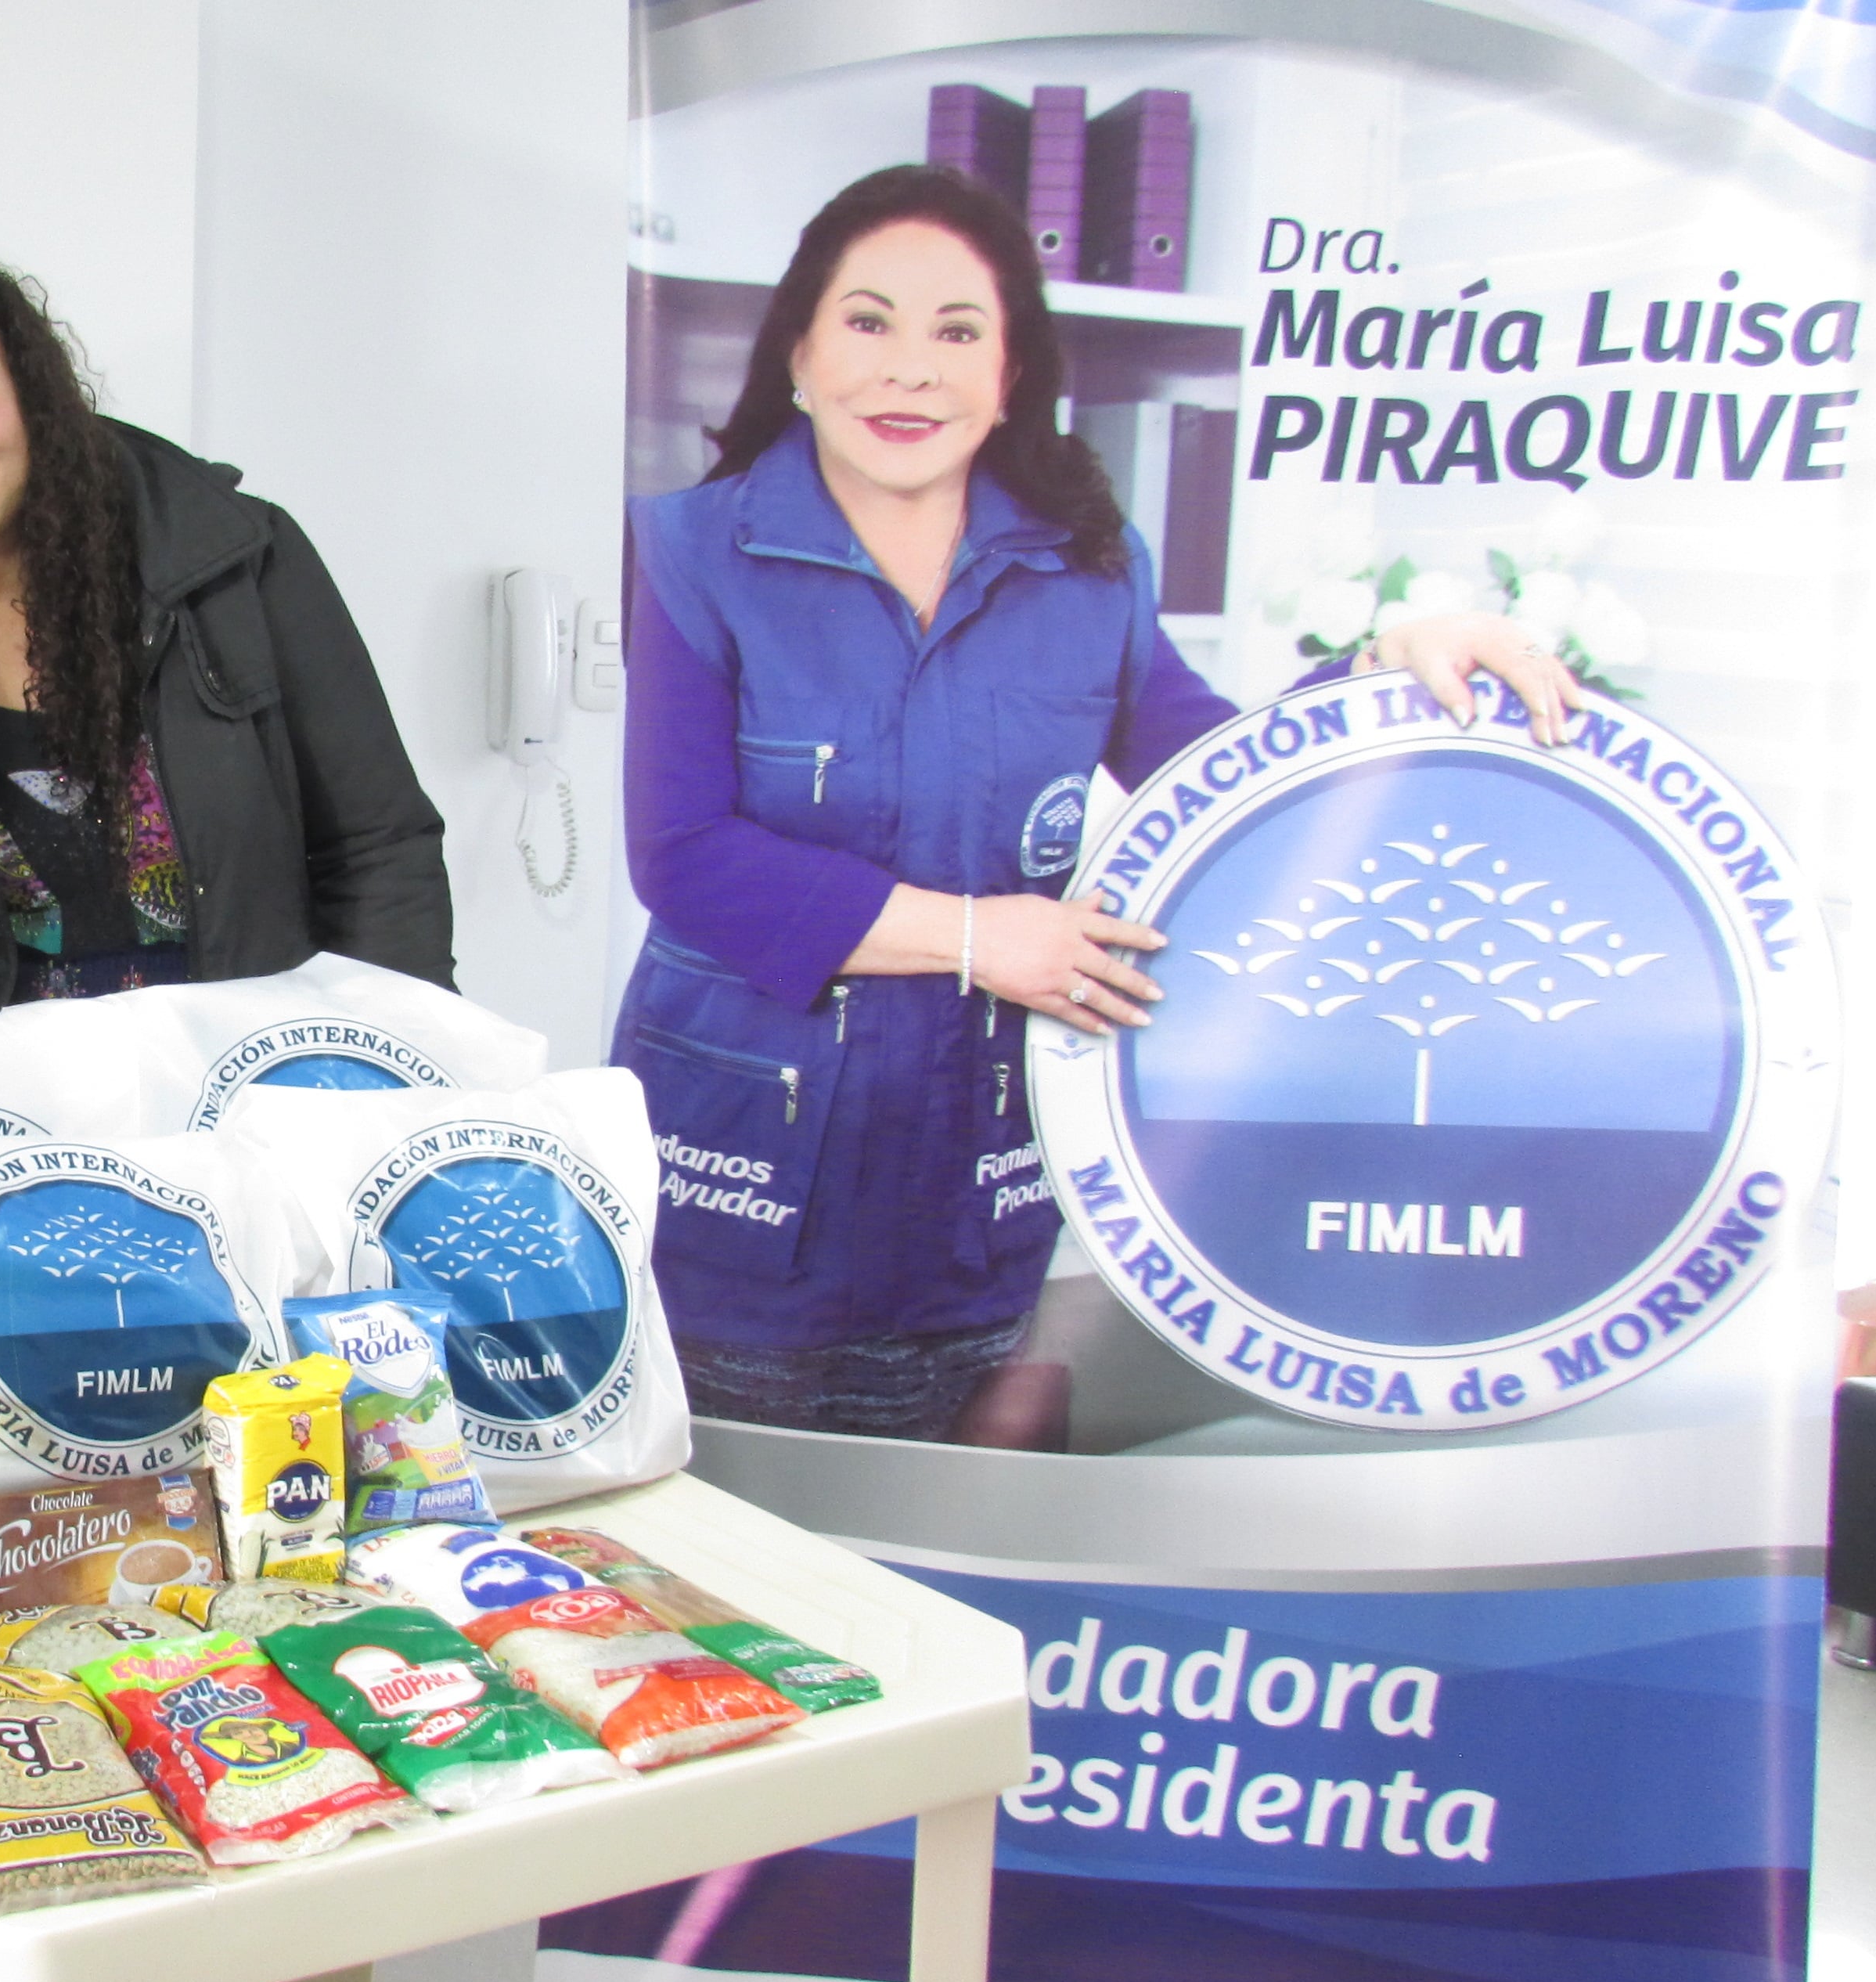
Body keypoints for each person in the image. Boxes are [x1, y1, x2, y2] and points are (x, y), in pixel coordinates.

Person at [614, 164, 1578, 1444]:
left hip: (972, 1190)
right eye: (868, 320)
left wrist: (1381, 668)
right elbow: (683, 857)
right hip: (735, 1189)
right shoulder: (689, 549)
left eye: (957, 331)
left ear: (1011, 373)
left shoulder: (1089, 567)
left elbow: (1226, 779)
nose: (908, 368)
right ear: (797, 348)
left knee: (938, 1567)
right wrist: (974, 936)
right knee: (729, 1589)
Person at [0, 240, 451, 1005]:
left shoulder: (234, 559)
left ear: (29, 382)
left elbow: (377, 849)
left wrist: (373, 1070)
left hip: (257, 1083)